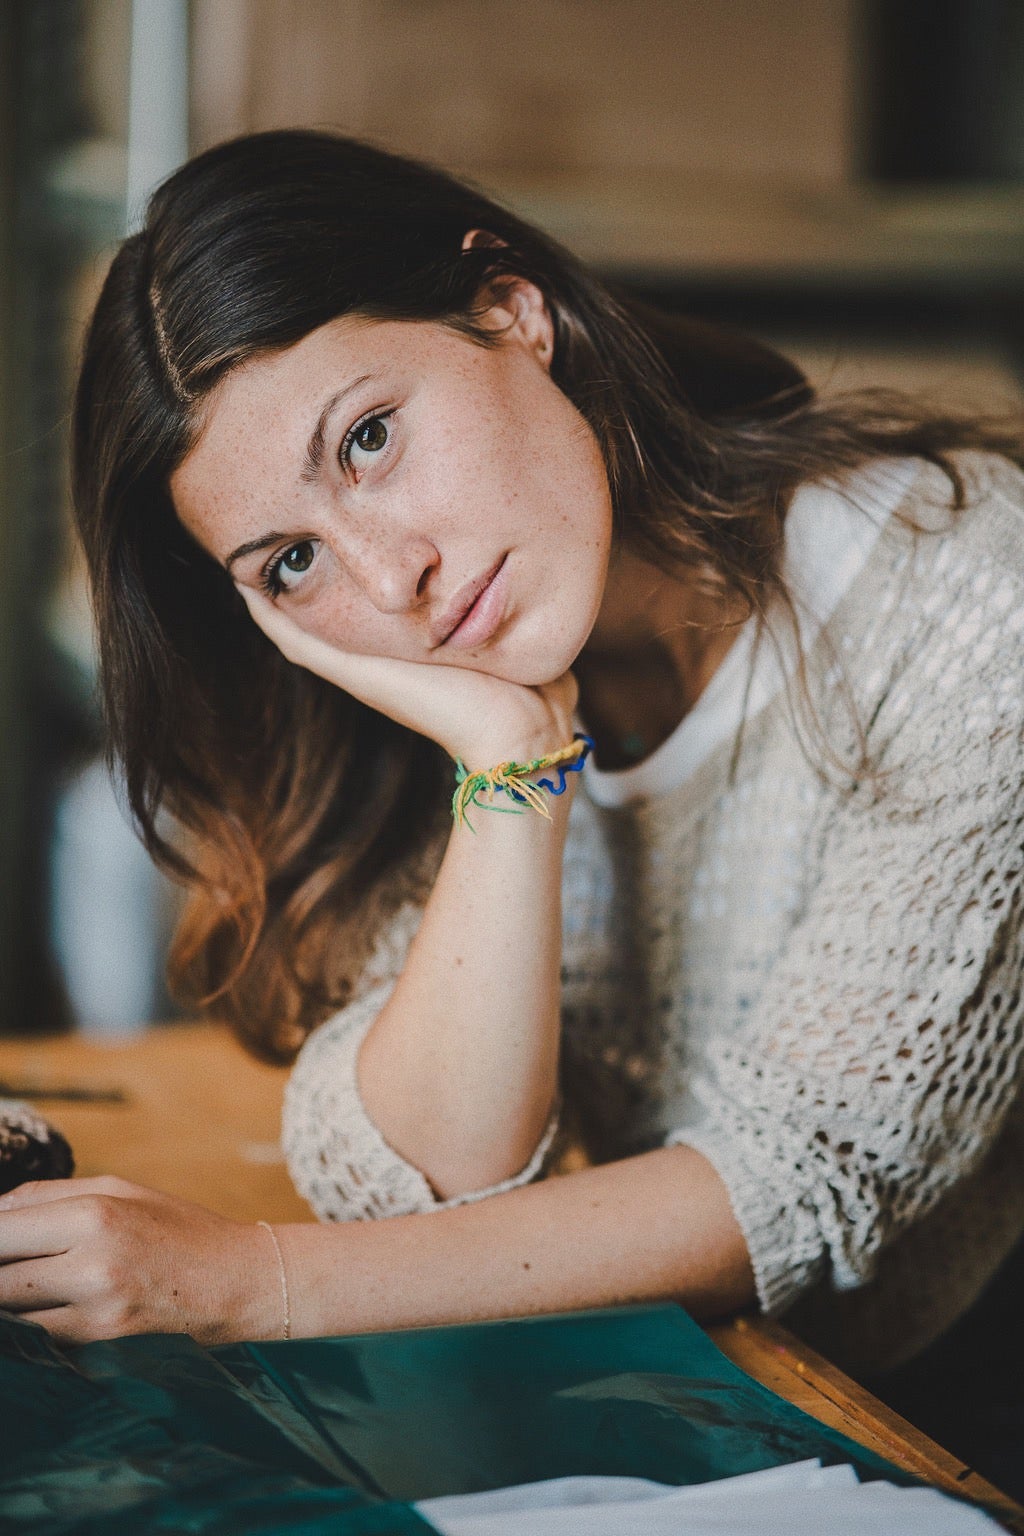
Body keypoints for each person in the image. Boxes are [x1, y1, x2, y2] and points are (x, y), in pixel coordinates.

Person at [0, 133, 1022, 1395]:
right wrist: (512, 766)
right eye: (290, 562)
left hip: (944, 1415)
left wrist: (244, 1281)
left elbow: (795, 1186)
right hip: (664, 1404)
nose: (389, 578)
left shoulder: (971, 604)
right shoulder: (427, 708)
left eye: (368, 437)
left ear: (511, 309)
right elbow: (426, 1182)